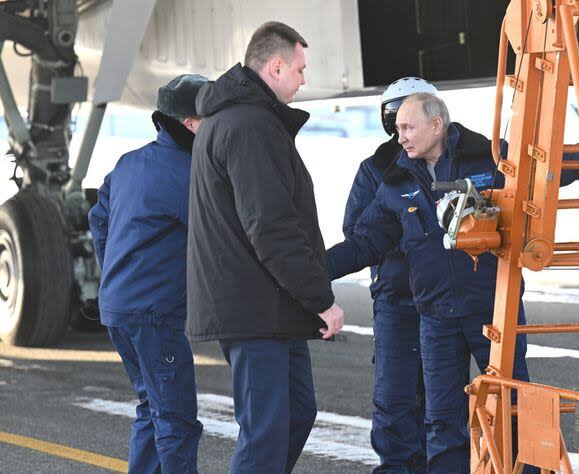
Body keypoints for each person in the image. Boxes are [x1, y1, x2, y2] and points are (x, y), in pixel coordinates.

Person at [327, 92, 579, 471]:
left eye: (407, 127)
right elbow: (364, 243)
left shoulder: (489, 157)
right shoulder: (395, 181)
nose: (399, 137)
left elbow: (544, 170)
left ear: (437, 125)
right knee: (444, 421)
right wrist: (312, 270)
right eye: (398, 128)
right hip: (435, 318)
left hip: (493, 311)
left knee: (514, 409)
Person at [185, 21, 344, 473]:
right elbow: (271, 227)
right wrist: (321, 298)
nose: (304, 79)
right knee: (266, 431)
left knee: (295, 413)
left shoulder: (241, 120)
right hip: (254, 308)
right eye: (299, 69)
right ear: (276, 67)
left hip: (269, 307)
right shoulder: (250, 125)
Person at [88, 73, 208, 473]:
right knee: (176, 421)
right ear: (191, 124)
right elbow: (221, 241)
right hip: (154, 316)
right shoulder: (189, 174)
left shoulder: (128, 164)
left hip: (118, 309)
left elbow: (98, 217)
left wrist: (114, 275)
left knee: (150, 408)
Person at [344, 77, 437, 473]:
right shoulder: (376, 170)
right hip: (397, 299)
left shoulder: (449, 160)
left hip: (442, 301)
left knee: (444, 400)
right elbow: (356, 232)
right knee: (396, 399)